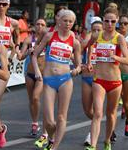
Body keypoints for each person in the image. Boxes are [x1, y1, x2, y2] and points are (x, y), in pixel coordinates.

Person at [32, 9, 81, 150]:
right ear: (59, 21)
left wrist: (76, 70)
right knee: (49, 121)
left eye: (70, 21)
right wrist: (37, 71)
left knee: (61, 117)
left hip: (65, 80)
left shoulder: (75, 42)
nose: (67, 23)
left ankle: (54, 147)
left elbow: (78, 65)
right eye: (65, 20)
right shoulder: (49, 36)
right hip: (48, 80)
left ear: (73, 23)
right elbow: (34, 55)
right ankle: (51, 138)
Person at [85, 7, 128, 150]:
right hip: (99, 80)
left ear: (116, 22)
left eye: (112, 21)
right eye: (107, 21)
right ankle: (93, 145)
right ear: (103, 21)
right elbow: (89, 46)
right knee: (97, 113)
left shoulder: (119, 38)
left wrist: (115, 57)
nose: (109, 24)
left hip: (115, 82)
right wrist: (89, 62)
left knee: (110, 114)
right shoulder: (97, 36)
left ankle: (107, 141)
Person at [0, 0, 19, 148]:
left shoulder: (13, 23)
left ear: (8, 5)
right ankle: (0, 129)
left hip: (1, 65)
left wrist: (14, 52)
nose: (1, 6)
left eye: (4, 4)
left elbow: (16, 40)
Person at [16, 18, 47, 138]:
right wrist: (26, 52)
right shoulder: (29, 39)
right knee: (31, 100)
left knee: (35, 97)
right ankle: (35, 123)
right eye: (38, 24)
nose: (40, 26)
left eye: (42, 24)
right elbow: (20, 57)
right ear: (34, 26)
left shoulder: (47, 40)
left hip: (42, 74)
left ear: (45, 27)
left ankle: (40, 124)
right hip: (29, 74)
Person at [81, 16, 103, 146]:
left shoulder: (106, 42)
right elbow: (82, 46)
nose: (96, 32)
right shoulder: (89, 41)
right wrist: (90, 35)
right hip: (86, 76)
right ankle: (99, 123)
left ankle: (92, 135)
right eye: (93, 29)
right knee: (87, 110)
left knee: (97, 110)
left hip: (100, 78)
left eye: (98, 30)